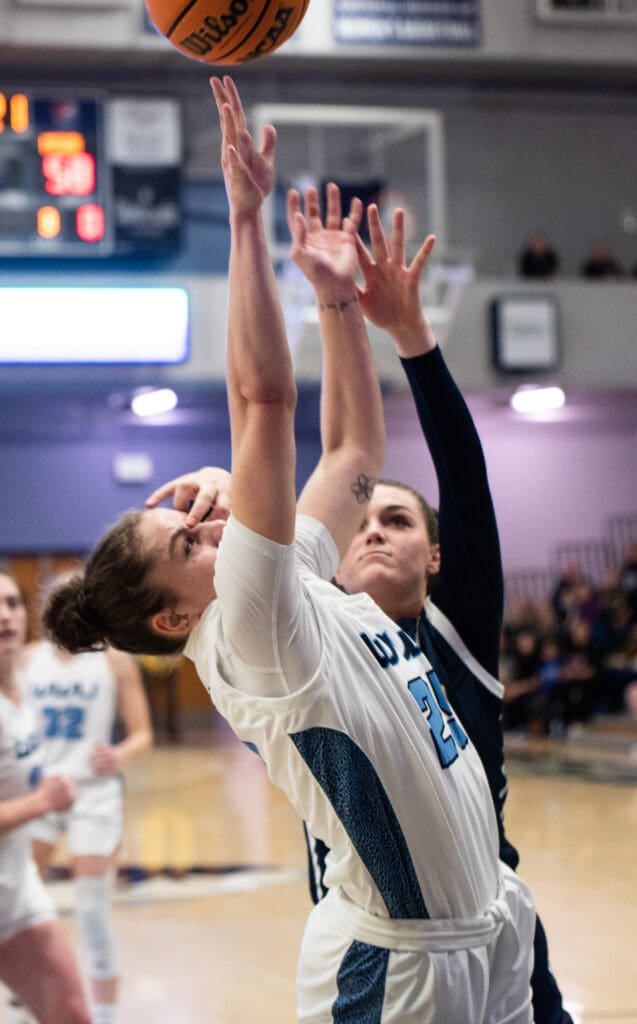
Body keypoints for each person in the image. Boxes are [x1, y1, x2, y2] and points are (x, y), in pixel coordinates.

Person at [44, 76, 535, 1022]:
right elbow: (261, 404)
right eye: (188, 536)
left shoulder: (295, 585)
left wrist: (339, 304)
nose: (212, 516)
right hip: (400, 966)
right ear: (171, 616)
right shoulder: (250, 631)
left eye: (192, 510)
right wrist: (243, 224)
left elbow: (354, 450)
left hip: (488, 926)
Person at [155, 207, 573, 1021]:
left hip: (492, 915)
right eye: (365, 521)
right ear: (331, 553)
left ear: (436, 554)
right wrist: (235, 504)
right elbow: (273, 485)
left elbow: (461, 471)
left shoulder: (456, 629)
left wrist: (411, 336)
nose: (375, 530)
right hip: (385, 933)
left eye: (400, 522)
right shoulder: (300, 638)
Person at [21, 583, 153, 1024]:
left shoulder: (113, 658)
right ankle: (28, 999)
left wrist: (118, 755)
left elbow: (142, 735)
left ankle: (105, 1014)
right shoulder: (26, 660)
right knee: (24, 905)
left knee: (93, 911)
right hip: (39, 795)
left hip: (94, 793)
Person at [0, 565, 91, 1024]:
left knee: (72, 1013)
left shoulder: (23, 688)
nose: (4, 616)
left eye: (12, 603)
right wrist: (43, 804)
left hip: (13, 890)